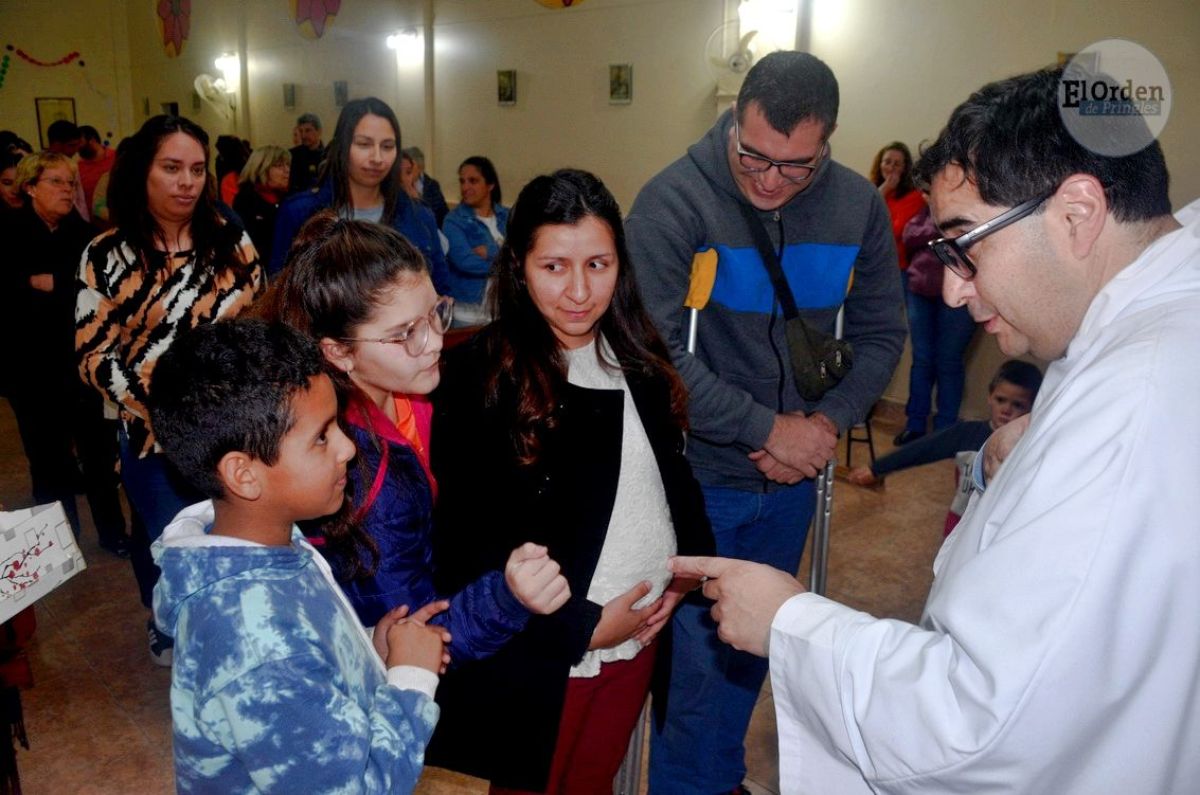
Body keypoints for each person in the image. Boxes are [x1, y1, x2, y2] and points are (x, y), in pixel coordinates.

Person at [673, 64, 1200, 793]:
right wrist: (1030, 448)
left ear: (1077, 214)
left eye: (963, 245)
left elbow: (978, 727)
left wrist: (790, 622)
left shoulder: (1128, 405)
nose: (953, 289)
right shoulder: (1161, 331)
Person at [624, 50, 906, 793]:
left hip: (791, 483)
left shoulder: (856, 206)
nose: (771, 178)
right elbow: (654, 357)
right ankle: (696, 782)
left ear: (830, 142)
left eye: (797, 165)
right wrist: (765, 429)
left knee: (755, 648)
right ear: (733, 118)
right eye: (754, 155)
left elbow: (881, 331)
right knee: (689, 671)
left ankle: (719, 775)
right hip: (698, 479)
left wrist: (821, 426)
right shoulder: (673, 202)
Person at [426, 169, 714, 793]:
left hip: (634, 637)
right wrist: (582, 627)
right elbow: (467, 542)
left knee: (592, 782)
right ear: (519, 267)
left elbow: (671, 476)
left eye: (598, 264)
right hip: (547, 648)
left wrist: (686, 574)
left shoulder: (637, 356)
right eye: (554, 267)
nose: (579, 291)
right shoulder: (481, 374)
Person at [148, 318, 447, 794]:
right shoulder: (256, 640)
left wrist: (368, 650)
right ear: (244, 475)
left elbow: (306, 664)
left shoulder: (268, 542)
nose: (348, 448)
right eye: (322, 436)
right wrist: (411, 680)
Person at [260, 212, 570, 655]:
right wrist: (507, 597)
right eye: (406, 333)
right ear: (340, 353)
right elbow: (414, 639)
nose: (435, 342)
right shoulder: (360, 478)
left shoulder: (405, 390)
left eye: (436, 314)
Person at [76, 114, 264, 666]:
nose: (187, 181)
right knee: (170, 545)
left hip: (233, 431)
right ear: (142, 172)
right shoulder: (107, 254)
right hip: (151, 433)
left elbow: (260, 325)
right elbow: (93, 355)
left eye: (198, 170)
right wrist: (163, 406)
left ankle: (230, 645)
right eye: (172, 168)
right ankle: (174, 629)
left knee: (233, 542)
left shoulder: (231, 242)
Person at [0, 151, 129, 555]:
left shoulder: (86, 236)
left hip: (81, 367)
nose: (66, 190)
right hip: (30, 370)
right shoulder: (6, 233)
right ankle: (57, 544)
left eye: (70, 183)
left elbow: (101, 296)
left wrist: (53, 284)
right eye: (55, 181)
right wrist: (58, 290)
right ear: (30, 186)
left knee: (98, 458)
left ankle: (112, 535)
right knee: (47, 461)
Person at [270, 97, 449, 294]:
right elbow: (279, 294)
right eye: (364, 144)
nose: (377, 158)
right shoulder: (300, 214)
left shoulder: (418, 216)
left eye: (387, 147)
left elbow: (440, 290)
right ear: (342, 148)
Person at [848, 359, 1042, 535]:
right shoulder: (966, 433)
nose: (1006, 410)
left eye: (1018, 405)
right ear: (989, 397)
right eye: (1001, 400)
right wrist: (877, 468)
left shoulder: (1033, 447)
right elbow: (922, 449)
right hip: (959, 522)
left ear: (1032, 409)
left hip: (1001, 528)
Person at [443, 156, 509, 326]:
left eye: (473, 181)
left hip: (504, 309)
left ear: (490, 185)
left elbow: (523, 253)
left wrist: (491, 251)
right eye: (462, 181)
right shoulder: (453, 220)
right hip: (466, 314)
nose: (465, 187)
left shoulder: (507, 216)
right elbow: (465, 262)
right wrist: (508, 266)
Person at [232, 145, 291, 267]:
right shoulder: (246, 201)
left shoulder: (289, 198)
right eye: (279, 165)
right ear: (262, 168)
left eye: (288, 165)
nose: (287, 170)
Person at [45, 120, 89, 220]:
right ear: (56, 144)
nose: (75, 150)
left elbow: (80, 200)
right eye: (71, 145)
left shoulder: (72, 165)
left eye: (76, 145)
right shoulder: (41, 167)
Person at [404, 146, 449, 227]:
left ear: (420, 168)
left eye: (410, 169)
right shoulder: (397, 185)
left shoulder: (432, 185)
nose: (405, 172)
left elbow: (442, 214)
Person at [76, 125, 116, 214]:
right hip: (92, 223)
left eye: (80, 142)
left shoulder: (117, 157)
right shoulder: (78, 167)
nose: (77, 147)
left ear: (92, 140)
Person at [289, 111, 326, 194]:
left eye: (308, 130)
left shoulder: (328, 156)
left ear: (319, 131)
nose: (303, 135)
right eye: (301, 131)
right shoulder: (292, 155)